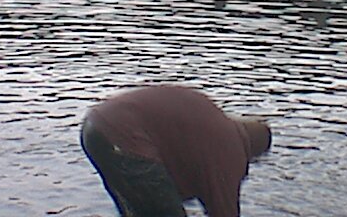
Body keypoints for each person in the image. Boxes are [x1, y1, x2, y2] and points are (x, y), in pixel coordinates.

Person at [80, 85, 272, 217]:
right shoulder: (232, 150)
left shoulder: (214, 122)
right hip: (125, 138)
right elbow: (224, 211)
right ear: (253, 151)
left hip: (94, 128)